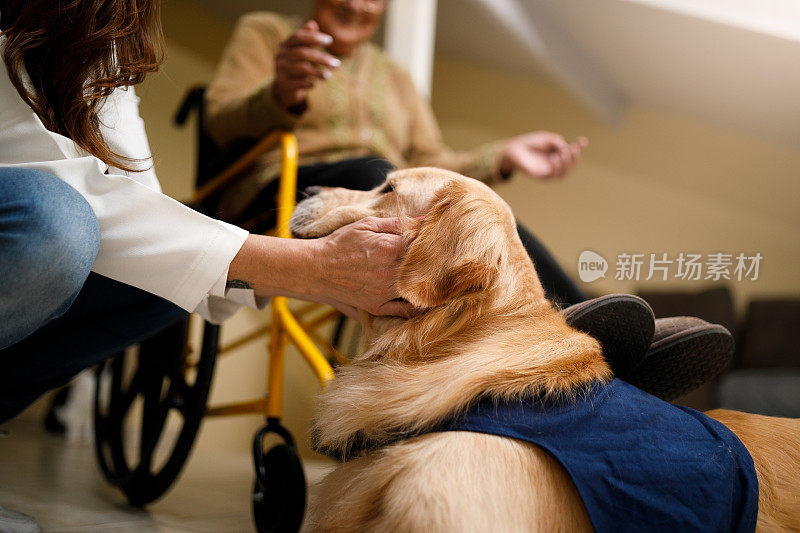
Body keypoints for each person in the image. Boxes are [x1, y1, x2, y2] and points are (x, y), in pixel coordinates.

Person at [0, 0, 413, 424]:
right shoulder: (266, 29)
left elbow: (139, 200)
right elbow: (215, 121)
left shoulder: (106, 35)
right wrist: (312, 267)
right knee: (57, 223)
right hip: (272, 183)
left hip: (368, 183)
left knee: (173, 284)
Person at [204, 0, 588, 306]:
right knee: (379, 174)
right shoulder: (265, 32)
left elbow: (431, 160)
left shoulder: (397, 75)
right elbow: (218, 121)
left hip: (380, 189)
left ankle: (578, 316)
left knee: (478, 209)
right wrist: (280, 93)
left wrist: (503, 155)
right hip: (282, 188)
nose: (358, 5)